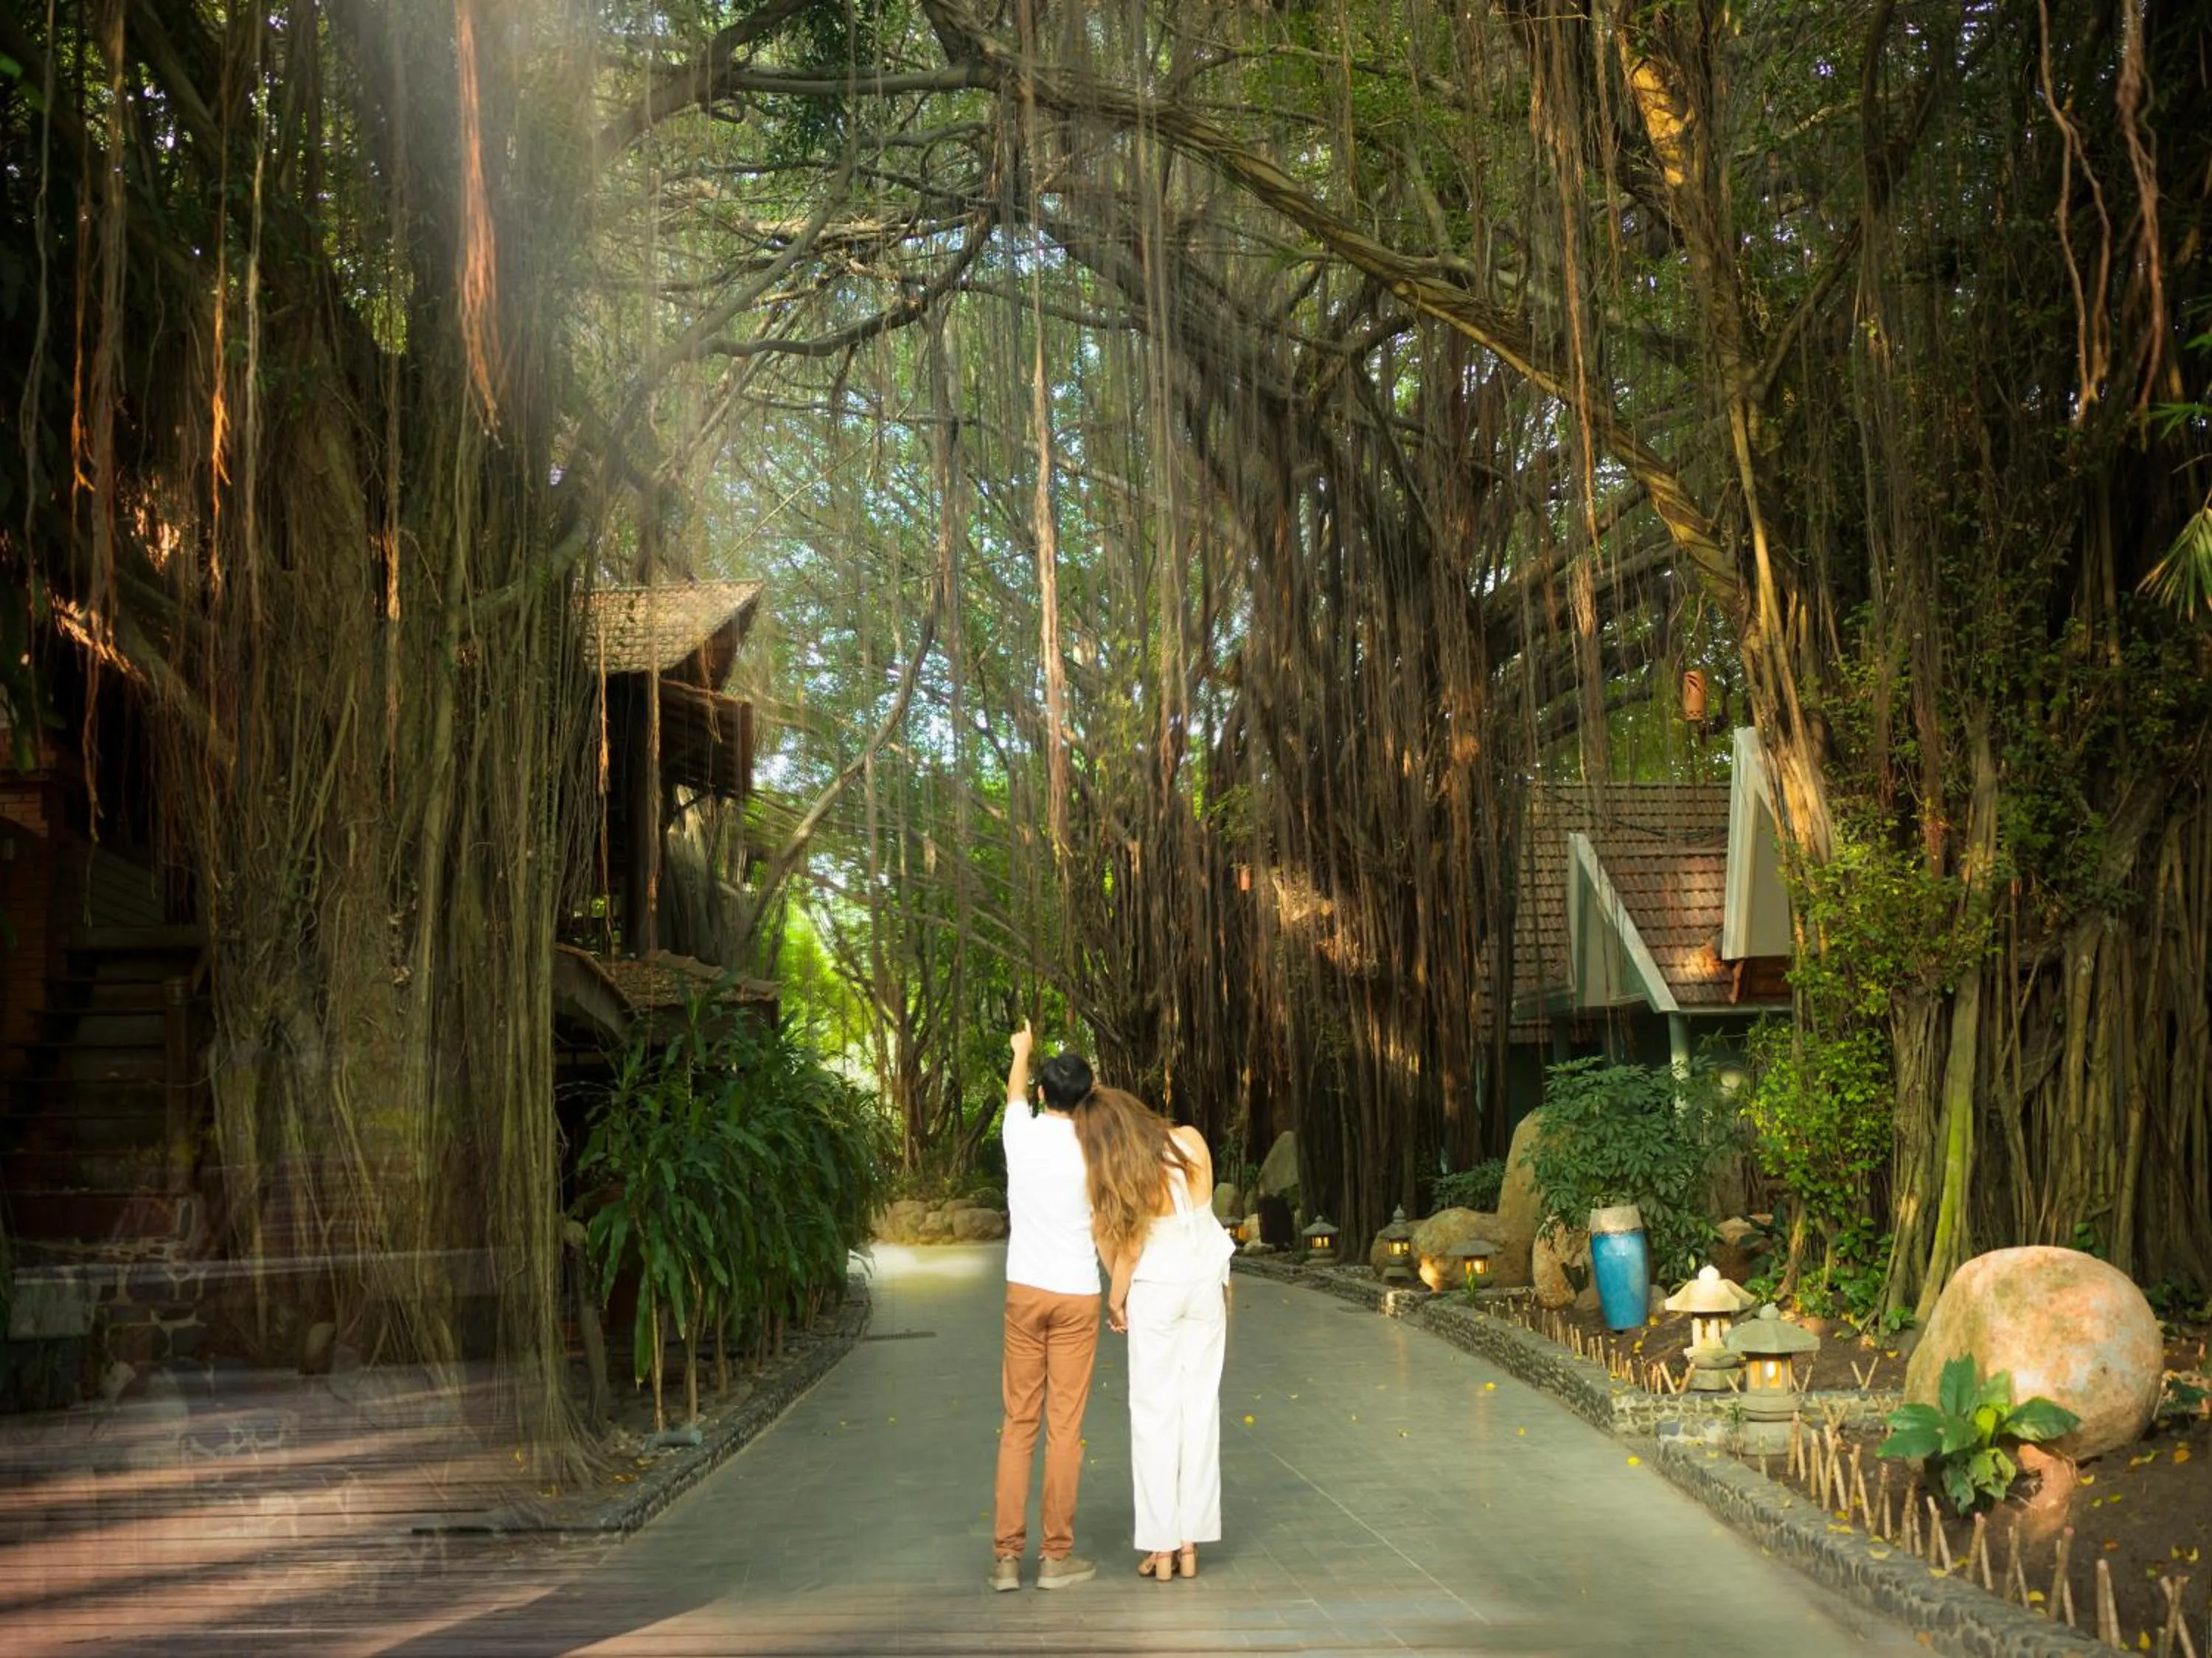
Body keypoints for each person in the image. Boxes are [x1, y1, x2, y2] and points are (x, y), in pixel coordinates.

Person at [1079, 1086, 1234, 1583]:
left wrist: (1115, 1298)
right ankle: (1190, 1546)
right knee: (1199, 1411)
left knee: (1154, 1418)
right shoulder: (1192, 1141)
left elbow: (1128, 1250)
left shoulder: (1124, 1171)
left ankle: (1162, 1550)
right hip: (1207, 1288)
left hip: (1157, 1294)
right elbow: (1204, 1219)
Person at [990, 1022, 1102, 1592]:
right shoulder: (1094, 1149)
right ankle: (1055, 1559)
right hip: (1078, 1295)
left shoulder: (1019, 1133)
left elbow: (1013, 1093)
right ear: (1086, 1099)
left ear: (1042, 1096)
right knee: (1065, 1428)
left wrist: (1021, 1051)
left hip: (1025, 1292)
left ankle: (1007, 1560)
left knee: (1019, 1425)